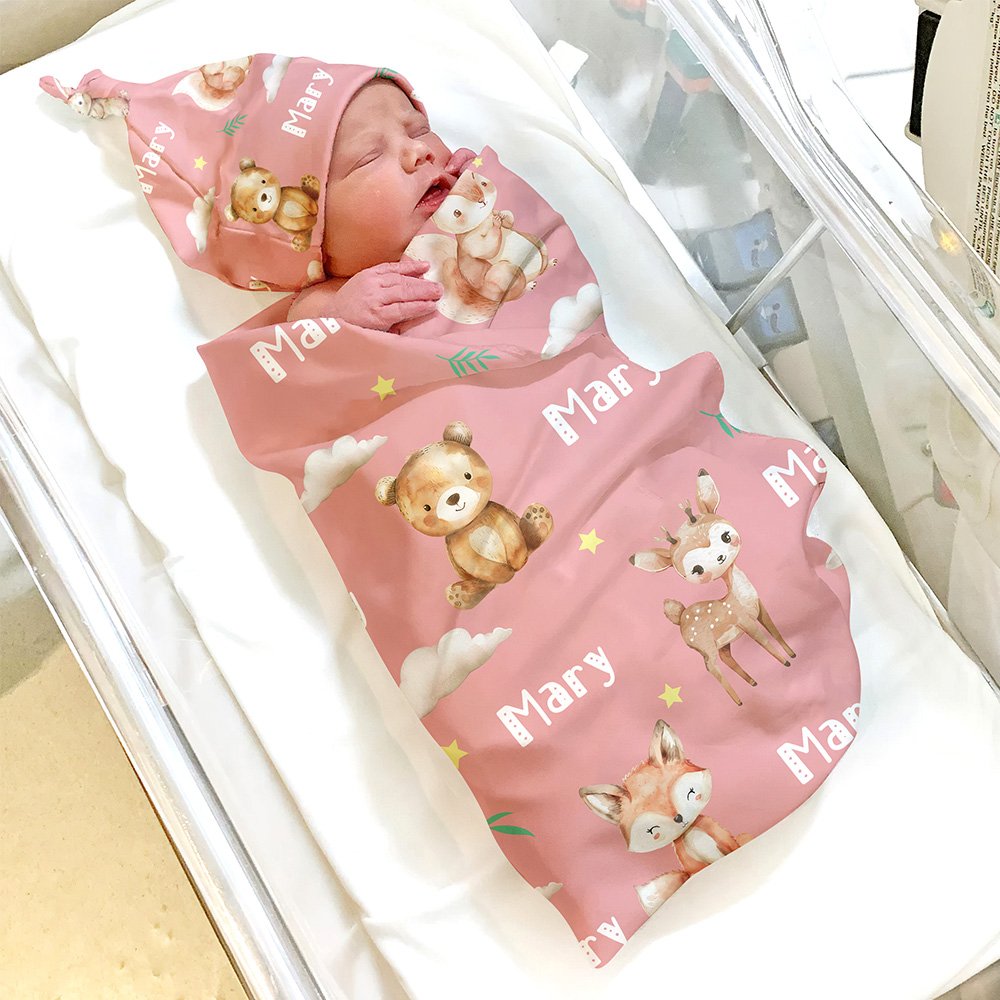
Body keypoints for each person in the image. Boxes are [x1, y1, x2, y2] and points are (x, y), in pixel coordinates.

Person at [287, 79, 478, 329]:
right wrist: (338, 316)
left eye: (419, 131)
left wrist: (484, 184)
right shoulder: (330, 298)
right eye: (370, 156)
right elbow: (303, 336)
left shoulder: (470, 203)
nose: (420, 148)